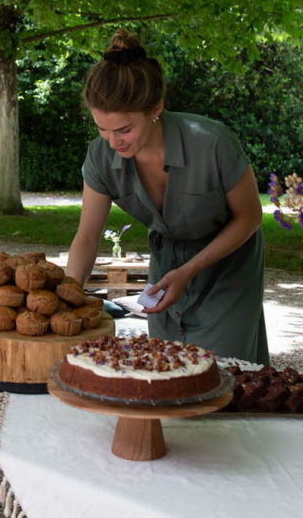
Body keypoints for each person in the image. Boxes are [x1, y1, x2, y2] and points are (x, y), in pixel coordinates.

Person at [66, 29, 269, 364]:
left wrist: (187, 272)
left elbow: (250, 217)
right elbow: (87, 237)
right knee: (166, 369)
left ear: (155, 108)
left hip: (227, 269)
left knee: (221, 374)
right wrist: (68, 300)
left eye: (124, 129)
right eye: (102, 128)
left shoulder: (213, 144)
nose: (113, 141)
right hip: (166, 269)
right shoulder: (100, 156)